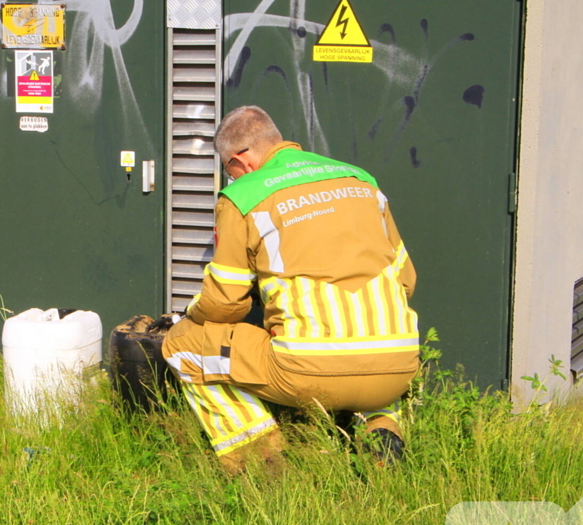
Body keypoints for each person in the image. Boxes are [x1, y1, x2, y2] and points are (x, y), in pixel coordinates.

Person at [162, 105, 420, 475]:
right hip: (397, 366)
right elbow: (406, 279)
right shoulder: (361, 181)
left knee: (182, 343)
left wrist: (191, 314)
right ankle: (381, 430)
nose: (231, 176)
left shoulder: (244, 194)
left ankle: (261, 463)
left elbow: (225, 304)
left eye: (228, 170)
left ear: (240, 161)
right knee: (373, 356)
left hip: (306, 370)